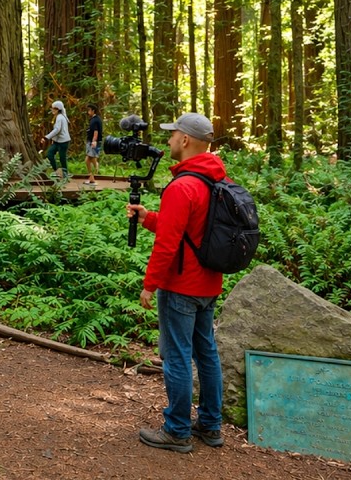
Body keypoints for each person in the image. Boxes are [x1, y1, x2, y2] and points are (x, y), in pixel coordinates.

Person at [126, 112, 226, 453]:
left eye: (172, 135)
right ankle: (210, 426)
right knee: (207, 354)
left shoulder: (182, 185)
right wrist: (148, 217)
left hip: (181, 287)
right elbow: (187, 230)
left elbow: (168, 244)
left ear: (185, 140)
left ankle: (177, 430)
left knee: (178, 357)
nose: (167, 140)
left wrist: (149, 284)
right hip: (208, 284)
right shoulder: (213, 179)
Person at [43, 100, 70, 181]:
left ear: (58, 109)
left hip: (63, 141)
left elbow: (57, 130)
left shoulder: (60, 117)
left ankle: (65, 173)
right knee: (50, 154)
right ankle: (57, 171)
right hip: (57, 141)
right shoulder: (59, 117)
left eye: (54, 108)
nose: (52, 110)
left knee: (62, 158)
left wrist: (46, 137)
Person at [84, 104, 102, 185]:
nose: (88, 112)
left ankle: (92, 178)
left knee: (87, 160)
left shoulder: (94, 120)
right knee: (92, 158)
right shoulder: (97, 119)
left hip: (93, 142)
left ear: (93, 110)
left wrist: (94, 141)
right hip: (92, 141)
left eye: (89, 110)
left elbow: (96, 131)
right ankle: (92, 177)